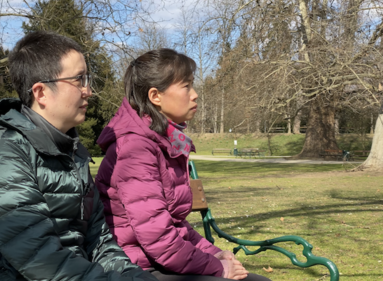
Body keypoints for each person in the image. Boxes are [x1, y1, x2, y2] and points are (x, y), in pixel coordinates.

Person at [0, 31, 157, 281]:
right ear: (41, 92)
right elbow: (41, 260)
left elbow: (99, 242)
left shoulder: (71, 152)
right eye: (79, 79)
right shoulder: (2, 155)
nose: (88, 91)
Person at [95, 49, 271, 281]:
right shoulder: (135, 148)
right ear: (155, 96)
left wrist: (215, 254)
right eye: (186, 86)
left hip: (159, 260)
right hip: (135, 267)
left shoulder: (162, 142)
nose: (195, 94)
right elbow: (158, 240)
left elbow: (176, 225)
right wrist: (218, 268)